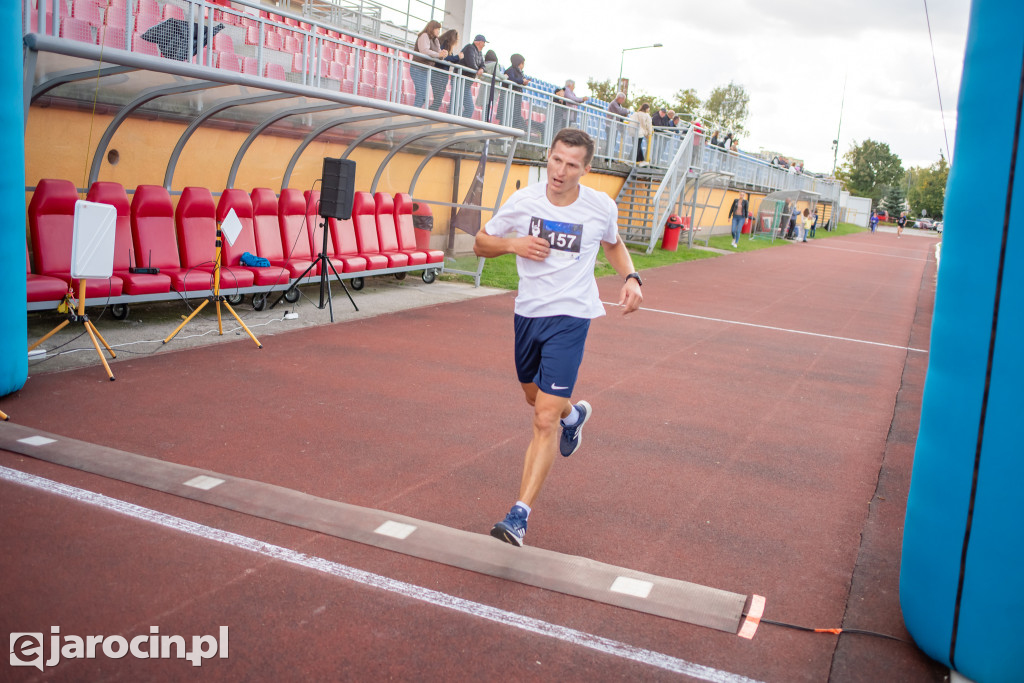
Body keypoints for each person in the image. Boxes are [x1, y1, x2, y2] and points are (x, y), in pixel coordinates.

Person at [473, 128, 644, 547]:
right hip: (528, 314)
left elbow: (614, 245)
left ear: (586, 169)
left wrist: (632, 278)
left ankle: (519, 516)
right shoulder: (524, 201)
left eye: (571, 164)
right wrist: (513, 244)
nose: (560, 171)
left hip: (572, 315)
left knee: (542, 418)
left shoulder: (600, 206)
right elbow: (480, 243)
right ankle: (575, 415)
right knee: (535, 399)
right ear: (547, 157)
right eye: (555, 160)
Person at [412, 20, 447, 109]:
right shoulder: (424, 35)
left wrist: (442, 54)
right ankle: (412, 115)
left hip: (426, 70)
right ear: (432, 28)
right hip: (418, 68)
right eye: (437, 29)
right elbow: (424, 50)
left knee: (423, 97)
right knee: (422, 96)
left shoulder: (436, 40)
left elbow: (438, 53)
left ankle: (413, 115)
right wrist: (439, 54)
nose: (439, 31)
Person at [429, 29, 460, 112]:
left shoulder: (447, 45)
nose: (456, 41)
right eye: (456, 39)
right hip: (438, 74)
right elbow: (444, 56)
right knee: (438, 100)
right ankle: (428, 115)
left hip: (442, 75)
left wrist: (457, 58)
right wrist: (457, 57)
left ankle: (429, 115)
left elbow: (451, 58)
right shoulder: (444, 43)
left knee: (438, 100)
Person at [458, 34, 487, 118]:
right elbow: (471, 63)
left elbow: (483, 64)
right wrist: (478, 69)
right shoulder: (470, 47)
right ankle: (453, 124)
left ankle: (459, 125)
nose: (484, 45)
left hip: (466, 83)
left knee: (468, 107)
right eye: (484, 42)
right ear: (479, 42)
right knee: (456, 105)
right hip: (460, 80)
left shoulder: (479, 52)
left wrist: (481, 68)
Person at [475, 49, 506, 122]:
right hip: (491, 91)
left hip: (483, 89)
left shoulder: (484, 65)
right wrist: (505, 76)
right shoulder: (494, 64)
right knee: (489, 110)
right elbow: (498, 75)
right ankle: (486, 124)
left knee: (485, 110)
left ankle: (484, 123)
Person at [503, 53, 529, 129]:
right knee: (506, 116)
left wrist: (524, 82)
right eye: (522, 63)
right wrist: (521, 81)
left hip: (516, 98)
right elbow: (511, 79)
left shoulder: (520, 72)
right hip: (509, 99)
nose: (523, 66)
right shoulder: (510, 70)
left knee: (515, 118)